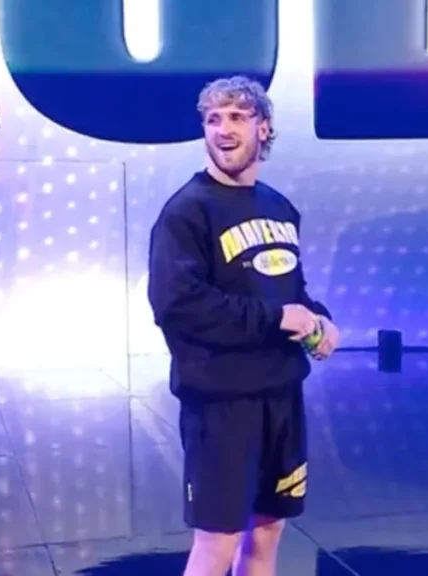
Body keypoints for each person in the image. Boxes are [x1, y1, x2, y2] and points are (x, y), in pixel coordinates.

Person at [147, 75, 340, 576]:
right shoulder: (187, 212)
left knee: (268, 531)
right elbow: (177, 304)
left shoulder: (279, 207)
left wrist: (318, 319)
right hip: (221, 403)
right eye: (213, 119)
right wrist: (278, 318)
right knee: (218, 542)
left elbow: (288, 289)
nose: (223, 130)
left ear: (264, 127)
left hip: (281, 395)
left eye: (237, 117)